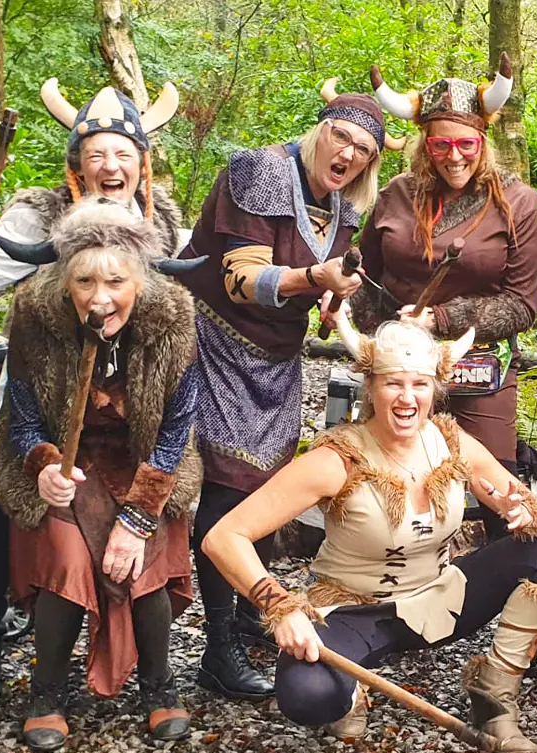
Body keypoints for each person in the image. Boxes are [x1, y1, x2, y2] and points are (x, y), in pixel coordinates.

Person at [201, 313, 537, 753]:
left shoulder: (452, 443)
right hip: (353, 612)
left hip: (440, 599)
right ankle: (351, 687)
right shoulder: (337, 457)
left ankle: (495, 692)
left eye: (419, 385)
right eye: (392, 384)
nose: (406, 398)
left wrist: (522, 511)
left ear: (435, 389)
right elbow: (223, 536)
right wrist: (280, 608)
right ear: (371, 388)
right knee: (307, 696)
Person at [0, 76, 184, 708]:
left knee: (165, 506)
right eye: (97, 153)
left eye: (123, 152)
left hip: (132, 409)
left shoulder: (164, 220)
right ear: (77, 165)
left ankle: (164, 666)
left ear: (141, 164)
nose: (110, 165)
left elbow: (187, 303)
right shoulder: (36, 214)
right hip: (43, 395)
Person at [177, 82, 388, 701]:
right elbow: (240, 278)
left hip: (278, 358)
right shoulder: (261, 170)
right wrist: (309, 278)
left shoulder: (346, 207)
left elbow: (326, 277)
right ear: (319, 131)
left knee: (268, 488)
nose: (347, 153)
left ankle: (246, 612)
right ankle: (217, 646)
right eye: (341, 136)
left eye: (364, 150)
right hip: (214, 342)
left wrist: (331, 298)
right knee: (225, 490)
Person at [0, 200, 203, 752]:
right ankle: (47, 692)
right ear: (64, 279)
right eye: (84, 280)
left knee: (147, 555)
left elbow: (176, 430)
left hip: (146, 463)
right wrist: (40, 466)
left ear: (141, 279)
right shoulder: (36, 317)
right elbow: (23, 414)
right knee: (68, 555)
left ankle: (158, 684)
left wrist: (137, 517)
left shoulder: (173, 320)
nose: (99, 297)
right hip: (65, 463)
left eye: (115, 280)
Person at [345, 53, 537, 539]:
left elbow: (523, 304)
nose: (454, 156)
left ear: (483, 141)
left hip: (479, 369)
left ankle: (499, 593)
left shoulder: (518, 203)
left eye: (465, 143)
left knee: (497, 493)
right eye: (441, 144)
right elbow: (366, 279)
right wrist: (352, 305)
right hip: (398, 368)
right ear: (425, 144)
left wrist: (440, 318)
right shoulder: (396, 195)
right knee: (386, 485)